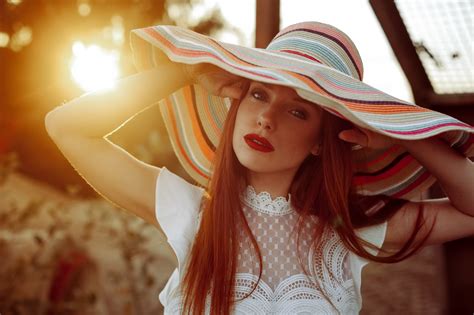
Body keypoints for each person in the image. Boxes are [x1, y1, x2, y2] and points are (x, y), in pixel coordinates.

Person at [45, 21, 474, 314]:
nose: (267, 118)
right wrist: (187, 74)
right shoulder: (191, 212)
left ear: (322, 144)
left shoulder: (352, 230)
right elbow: (67, 127)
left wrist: (402, 135)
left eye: (299, 112)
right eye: (258, 95)